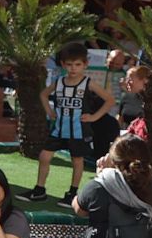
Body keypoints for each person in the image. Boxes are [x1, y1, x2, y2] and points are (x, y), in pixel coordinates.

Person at [24, 42, 112, 204]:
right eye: (69, 64)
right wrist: (49, 112)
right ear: (63, 64)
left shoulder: (88, 83)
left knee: (77, 161)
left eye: (77, 64)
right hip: (58, 129)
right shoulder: (59, 82)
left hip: (78, 130)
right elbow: (43, 95)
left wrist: (94, 117)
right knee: (44, 156)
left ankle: (72, 193)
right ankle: (39, 189)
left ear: (85, 64)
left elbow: (109, 100)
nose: (73, 68)